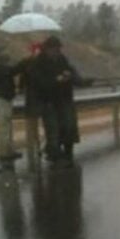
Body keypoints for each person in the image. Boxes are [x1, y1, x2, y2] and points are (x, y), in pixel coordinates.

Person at [31, 36, 91, 165]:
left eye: (58, 48)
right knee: (53, 130)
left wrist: (82, 81)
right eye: (53, 49)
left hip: (64, 99)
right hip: (49, 101)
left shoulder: (62, 60)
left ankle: (68, 152)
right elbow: (38, 82)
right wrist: (56, 80)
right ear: (47, 49)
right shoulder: (39, 63)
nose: (56, 51)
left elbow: (72, 73)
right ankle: (54, 155)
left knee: (69, 126)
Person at [13, 42, 43, 171]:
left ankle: (36, 146)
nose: (37, 53)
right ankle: (35, 146)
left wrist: (20, 88)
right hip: (36, 97)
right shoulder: (28, 63)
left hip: (37, 97)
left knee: (34, 123)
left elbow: (20, 76)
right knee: (32, 124)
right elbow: (20, 75)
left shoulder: (31, 63)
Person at [0, 51, 21, 169]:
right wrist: (25, 62)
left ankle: (9, 151)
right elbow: (12, 71)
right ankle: (4, 153)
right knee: (3, 126)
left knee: (7, 126)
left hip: (5, 98)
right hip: (1, 99)